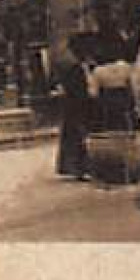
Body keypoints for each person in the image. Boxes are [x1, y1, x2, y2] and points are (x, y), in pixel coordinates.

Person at [54, 33, 96, 179]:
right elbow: (77, 89)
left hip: (74, 105)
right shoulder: (74, 68)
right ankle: (79, 167)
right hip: (78, 105)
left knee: (74, 135)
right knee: (78, 135)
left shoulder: (78, 66)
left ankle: (76, 167)